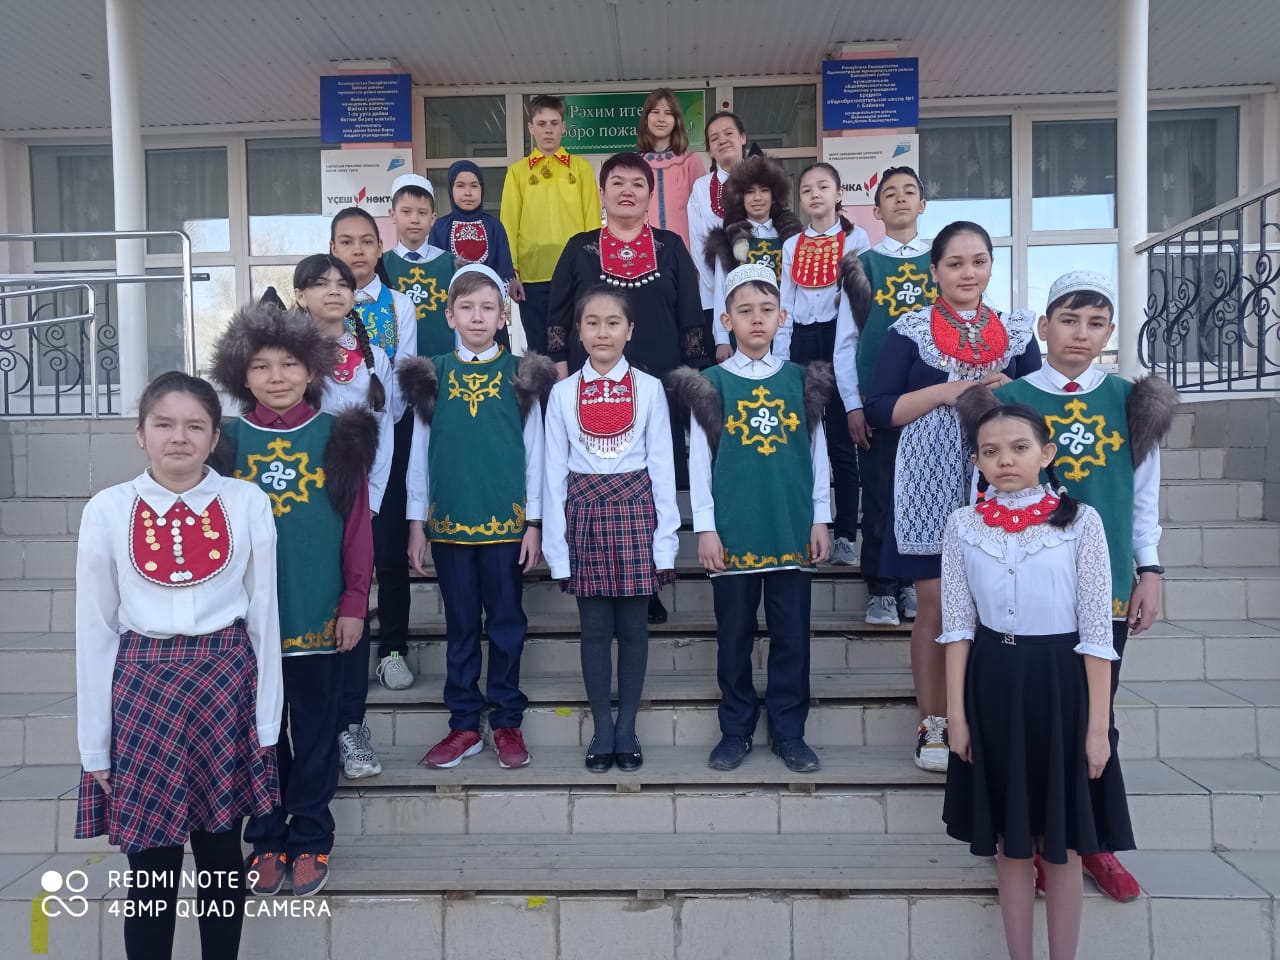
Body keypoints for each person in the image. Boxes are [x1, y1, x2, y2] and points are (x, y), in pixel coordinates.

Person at [977, 270, 1177, 903]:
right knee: (1028, 721)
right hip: (1025, 590)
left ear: (1110, 331)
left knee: (1095, 715)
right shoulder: (1008, 397)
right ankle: (1031, 838)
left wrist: (1149, 571)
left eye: (1095, 323)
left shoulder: (1132, 401)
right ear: (1043, 326)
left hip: (1104, 585)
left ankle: (1092, 840)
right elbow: (983, 494)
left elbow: (1142, 496)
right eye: (1068, 320)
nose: (1080, 334)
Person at [75, 371, 282, 960]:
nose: (178, 437)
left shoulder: (246, 502)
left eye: (195, 426)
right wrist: (95, 745)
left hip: (225, 682)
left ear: (215, 437)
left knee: (220, 855)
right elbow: (95, 630)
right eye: (163, 424)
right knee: (151, 864)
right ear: (140, 433)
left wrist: (267, 724)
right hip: (143, 688)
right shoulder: (107, 509)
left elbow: (264, 615)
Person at [939, 402, 1134, 960]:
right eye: (991, 451)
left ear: (1046, 453)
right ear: (976, 462)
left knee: (1063, 845)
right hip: (993, 684)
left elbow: (1097, 631)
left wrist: (1097, 728)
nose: (1005, 460)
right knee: (1010, 843)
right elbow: (957, 627)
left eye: (1019, 448)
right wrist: (957, 716)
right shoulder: (963, 525)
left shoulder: (1082, 521)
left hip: (1062, 684)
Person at [209, 304, 377, 898]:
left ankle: (311, 837)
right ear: (241, 374)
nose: (276, 376)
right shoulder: (223, 442)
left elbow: (357, 528)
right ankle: (266, 837)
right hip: (242, 622)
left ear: (311, 370)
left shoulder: (340, 435)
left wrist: (354, 601)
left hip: (318, 612)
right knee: (259, 736)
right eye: (261, 366)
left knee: (314, 733)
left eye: (288, 364)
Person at [864, 221, 1041, 773]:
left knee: (998, 602)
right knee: (937, 605)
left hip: (1003, 481)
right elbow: (880, 409)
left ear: (991, 266)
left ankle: (986, 718)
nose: (968, 273)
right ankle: (934, 721)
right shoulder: (909, 330)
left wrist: (1008, 390)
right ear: (935, 270)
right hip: (928, 478)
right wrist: (947, 390)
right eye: (955, 263)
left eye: (979, 261)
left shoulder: (1016, 332)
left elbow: (1040, 409)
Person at [673, 262, 833, 774]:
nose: (757, 319)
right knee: (734, 637)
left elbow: (818, 454)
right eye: (745, 311)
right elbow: (700, 463)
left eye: (767, 309)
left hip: (790, 524)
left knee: (792, 637)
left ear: (783, 316)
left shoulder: (801, 381)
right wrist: (705, 528)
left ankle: (789, 732)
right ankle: (736, 729)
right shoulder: (710, 384)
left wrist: (821, 517)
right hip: (734, 527)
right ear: (727, 321)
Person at [401, 264, 555, 769]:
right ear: (449, 315)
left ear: (503, 315)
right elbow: (420, 453)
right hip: (449, 524)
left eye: (488, 307)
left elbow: (535, 452)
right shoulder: (433, 374)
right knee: (462, 626)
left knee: (507, 624)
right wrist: (416, 522)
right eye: (466, 307)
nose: (477, 316)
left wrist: (534, 522)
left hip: (505, 525)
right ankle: (464, 724)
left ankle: (507, 719)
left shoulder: (521, 374)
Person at [547, 150, 711, 622]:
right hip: (591, 384)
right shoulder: (579, 248)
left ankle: (650, 579)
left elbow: (689, 311)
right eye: (617, 182)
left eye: (638, 184)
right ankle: (592, 579)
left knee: (653, 479)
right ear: (602, 193)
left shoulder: (670, 246)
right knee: (596, 481)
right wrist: (560, 366)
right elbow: (558, 313)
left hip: (659, 383)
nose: (627, 191)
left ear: (650, 195)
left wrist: (694, 371)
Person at [542, 287, 679, 772]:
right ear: (578, 333)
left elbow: (663, 468)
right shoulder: (561, 394)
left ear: (630, 330)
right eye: (592, 322)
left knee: (635, 629)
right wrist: (557, 549)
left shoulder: (650, 389)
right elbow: (553, 474)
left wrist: (665, 544)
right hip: (583, 514)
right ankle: (602, 727)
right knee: (595, 629)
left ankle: (627, 727)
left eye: (613, 322)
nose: (603, 332)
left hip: (636, 513)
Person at [288, 254, 395, 781]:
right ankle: (306, 736)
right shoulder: (285, 358)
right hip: (297, 507)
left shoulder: (375, 357)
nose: (333, 291)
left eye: (342, 283)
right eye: (320, 283)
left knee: (353, 608)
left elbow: (386, 431)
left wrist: (370, 502)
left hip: (356, 504)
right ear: (299, 295)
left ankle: (351, 727)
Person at [833, 165, 935, 626]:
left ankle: (913, 582)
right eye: (890, 194)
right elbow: (846, 343)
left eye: (909, 191)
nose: (900, 199)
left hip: (935, 403)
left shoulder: (942, 263)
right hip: (879, 402)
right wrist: (853, 404)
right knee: (879, 494)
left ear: (922, 204)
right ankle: (880, 586)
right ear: (876, 211)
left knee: (924, 495)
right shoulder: (863, 266)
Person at [330, 206, 419, 693]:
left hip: (390, 438)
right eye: (346, 242)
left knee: (387, 549)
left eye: (366, 241)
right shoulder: (316, 308)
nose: (357, 250)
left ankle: (393, 649)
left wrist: (381, 425)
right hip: (327, 450)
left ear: (380, 248)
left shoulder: (399, 304)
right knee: (336, 551)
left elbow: (402, 372)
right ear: (332, 249)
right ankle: (337, 646)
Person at [775, 162, 871, 568]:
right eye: (807, 189)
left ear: (838, 194)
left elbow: (860, 302)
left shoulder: (856, 238)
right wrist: (781, 361)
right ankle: (804, 530)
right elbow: (785, 303)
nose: (814, 194)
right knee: (801, 440)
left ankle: (846, 535)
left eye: (823, 187)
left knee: (840, 443)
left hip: (840, 339)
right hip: (801, 341)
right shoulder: (792, 245)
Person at [501, 94, 601, 355]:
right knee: (539, 346)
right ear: (531, 127)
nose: (548, 130)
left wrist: (592, 268)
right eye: (542, 123)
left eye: (554, 123)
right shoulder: (517, 172)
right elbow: (508, 225)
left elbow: (593, 222)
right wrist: (512, 273)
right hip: (532, 275)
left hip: (575, 273)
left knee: (577, 343)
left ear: (563, 127)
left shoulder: (580, 169)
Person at [703, 153, 803, 362]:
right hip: (740, 330)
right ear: (740, 197)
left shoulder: (791, 239)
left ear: (774, 196)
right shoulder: (728, 239)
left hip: (783, 330)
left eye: (764, 190)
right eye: (750, 192)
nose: (757, 198)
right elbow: (721, 290)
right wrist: (722, 339)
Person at [381, 174, 457, 358]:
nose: (414, 219)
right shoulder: (380, 265)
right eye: (406, 212)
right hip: (394, 364)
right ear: (392, 214)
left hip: (443, 361)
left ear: (433, 218)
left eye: (422, 213)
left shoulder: (451, 264)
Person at [687, 111, 749, 333]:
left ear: (742, 137)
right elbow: (697, 244)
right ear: (709, 150)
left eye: (728, 133)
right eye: (714, 138)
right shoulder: (701, 188)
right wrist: (721, 290)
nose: (722, 140)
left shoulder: (762, 181)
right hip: (714, 296)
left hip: (761, 293)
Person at [637, 87, 705, 250]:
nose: (661, 119)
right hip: (643, 251)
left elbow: (703, 212)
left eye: (668, 113)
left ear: (676, 120)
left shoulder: (690, 161)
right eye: (655, 112)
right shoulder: (635, 165)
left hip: (683, 251)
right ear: (646, 118)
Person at [428, 160, 516, 284]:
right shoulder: (440, 227)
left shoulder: (494, 226)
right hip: (449, 294)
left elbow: (504, 272)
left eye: (474, 186)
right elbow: (435, 273)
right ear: (451, 189)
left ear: (482, 189)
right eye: (460, 186)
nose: (468, 193)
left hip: (490, 294)